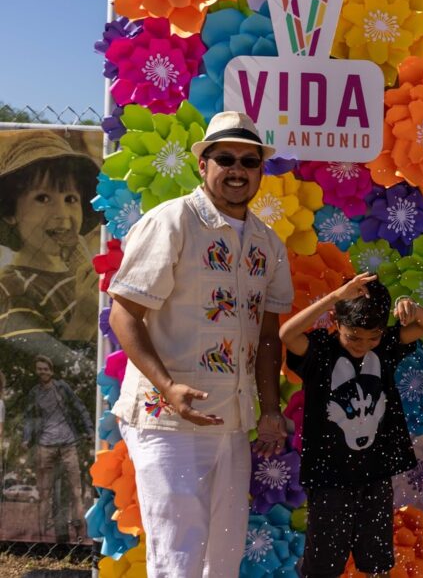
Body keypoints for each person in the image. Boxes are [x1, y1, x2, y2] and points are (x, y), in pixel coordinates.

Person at [108, 111, 294, 577]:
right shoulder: (172, 223)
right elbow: (124, 312)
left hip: (230, 421)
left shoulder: (266, 242)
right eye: (225, 158)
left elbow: (268, 335)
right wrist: (168, 387)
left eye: (248, 161)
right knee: (178, 554)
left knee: (222, 558)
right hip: (167, 420)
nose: (237, 169)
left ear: (260, 171)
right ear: (203, 165)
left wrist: (270, 410)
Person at [279, 273, 423, 578]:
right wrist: (334, 297)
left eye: (372, 338)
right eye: (354, 336)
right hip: (329, 478)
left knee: (376, 561)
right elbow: (287, 333)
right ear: (336, 322)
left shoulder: (385, 345)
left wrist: (413, 309)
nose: (363, 345)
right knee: (323, 563)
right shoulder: (320, 350)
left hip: (374, 474)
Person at [0, 131, 100, 365]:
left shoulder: (82, 279)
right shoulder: (11, 290)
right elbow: (35, 384)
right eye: (43, 198)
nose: (62, 214)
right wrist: (84, 320)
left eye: (70, 199)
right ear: (10, 212)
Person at [21, 355, 91, 542]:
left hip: (68, 444)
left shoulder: (61, 387)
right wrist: (26, 438)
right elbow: (29, 418)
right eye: (40, 369)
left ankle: (79, 533)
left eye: (46, 368)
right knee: (44, 492)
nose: (43, 371)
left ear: (51, 370)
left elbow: (78, 406)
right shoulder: (34, 393)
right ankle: (40, 536)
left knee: (76, 491)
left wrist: (90, 430)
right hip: (46, 446)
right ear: (37, 371)